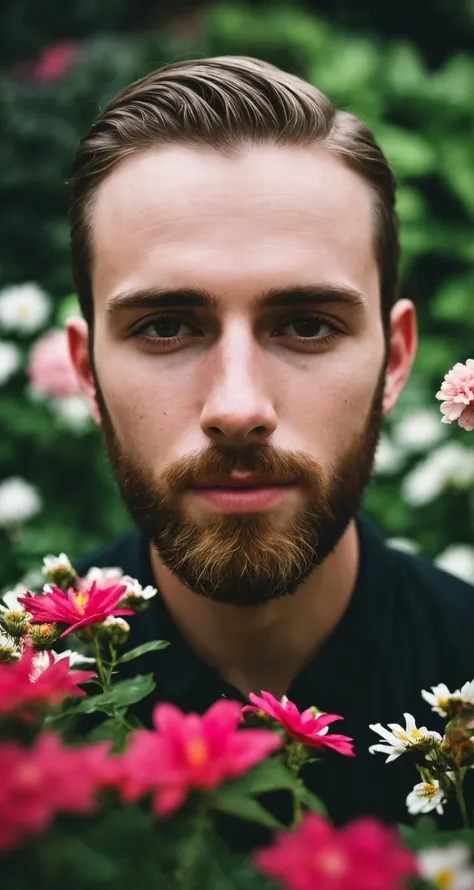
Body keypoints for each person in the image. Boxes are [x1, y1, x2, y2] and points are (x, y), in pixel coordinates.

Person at [68, 56, 474, 840]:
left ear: (394, 361)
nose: (238, 408)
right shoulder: (27, 720)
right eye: (166, 326)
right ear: (87, 372)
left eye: (307, 324)